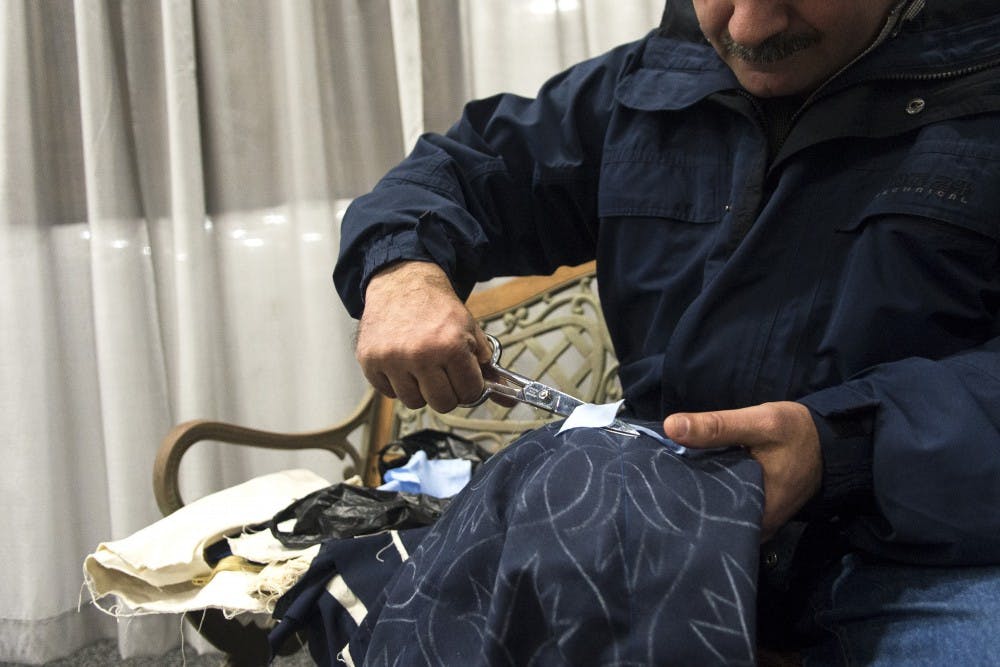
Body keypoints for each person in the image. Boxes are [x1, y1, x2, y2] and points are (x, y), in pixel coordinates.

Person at [332, 0, 1000, 663]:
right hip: (659, 532)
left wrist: (842, 446)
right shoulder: (650, 88)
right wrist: (402, 273)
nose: (745, 30)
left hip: (911, 550)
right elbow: (455, 172)